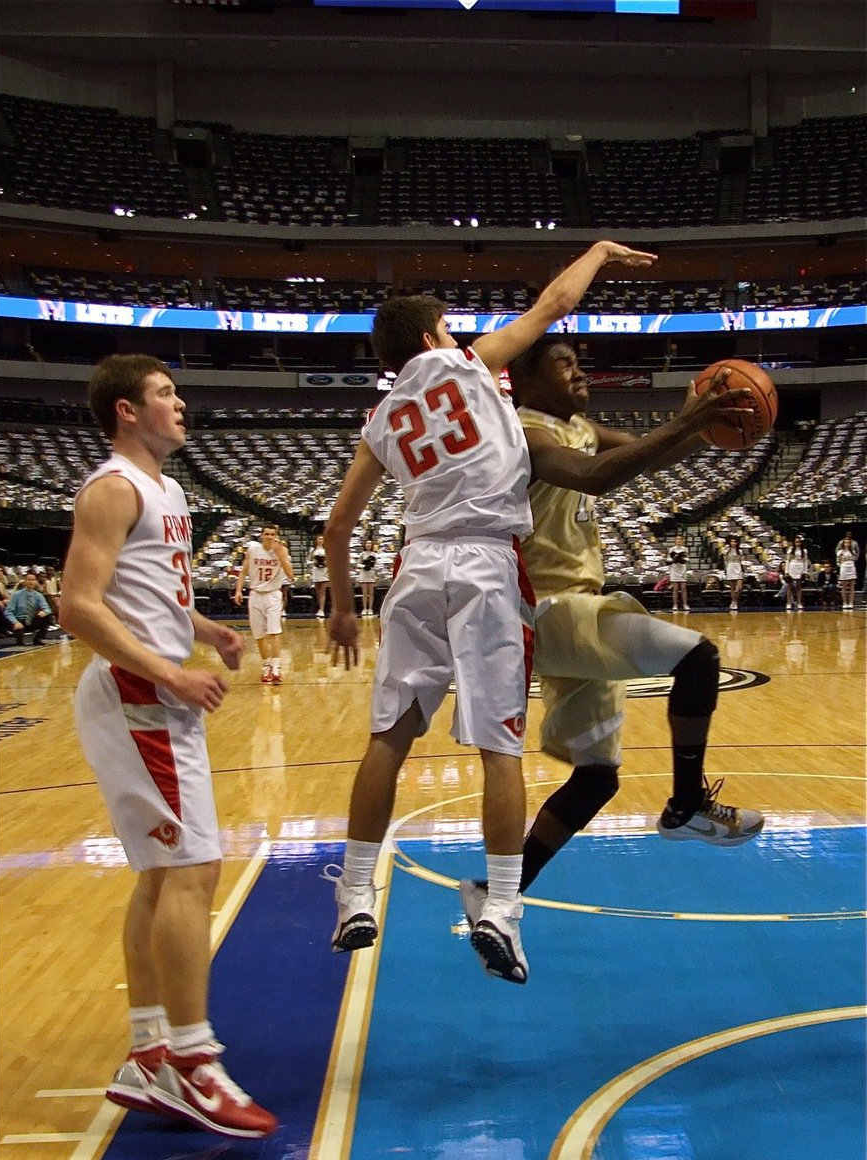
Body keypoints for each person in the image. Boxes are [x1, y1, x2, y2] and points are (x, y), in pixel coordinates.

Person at [325, 240, 658, 986]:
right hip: (485, 564)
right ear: (429, 337)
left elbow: (338, 527)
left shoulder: (382, 417)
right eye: (445, 325)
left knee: (390, 735)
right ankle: (502, 911)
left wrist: (344, 609)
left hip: (416, 566)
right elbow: (554, 307)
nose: (453, 331)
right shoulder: (473, 364)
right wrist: (597, 253)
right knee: (498, 744)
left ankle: (354, 894)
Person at [458, 339, 765, 932]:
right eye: (561, 363)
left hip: (570, 611)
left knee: (597, 778)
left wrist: (701, 431)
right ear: (523, 377)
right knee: (698, 657)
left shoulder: (576, 426)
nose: (577, 371)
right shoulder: (522, 431)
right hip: (550, 608)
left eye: (578, 361)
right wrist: (686, 420)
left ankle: (494, 897)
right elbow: (594, 476)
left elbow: (644, 459)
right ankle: (685, 806)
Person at [58, 353, 276, 1139]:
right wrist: (169, 673)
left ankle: (150, 1049)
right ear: (125, 410)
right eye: (164, 394)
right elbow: (78, 607)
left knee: (161, 874)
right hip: (140, 695)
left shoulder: (169, 490)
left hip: (151, 690)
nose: (180, 404)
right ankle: (193, 1063)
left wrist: (206, 629)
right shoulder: (113, 488)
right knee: (191, 868)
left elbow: (152, 592)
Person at [233, 524, 295, 684]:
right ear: (262, 535)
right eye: (266, 533)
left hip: (273, 594)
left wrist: (281, 556)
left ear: (276, 536)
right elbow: (243, 571)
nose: (269, 536)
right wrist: (238, 590)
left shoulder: (281, 550)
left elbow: (291, 575)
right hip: (255, 594)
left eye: (272, 534)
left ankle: (276, 667)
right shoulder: (253, 550)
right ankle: (266, 665)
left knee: (274, 632)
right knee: (259, 635)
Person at [5, 571, 53, 645]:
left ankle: (38, 638)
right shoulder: (16, 595)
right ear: (24, 581)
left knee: (47, 616)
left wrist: (44, 612)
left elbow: (48, 609)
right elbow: (8, 612)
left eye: (33, 580)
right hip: (19, 620)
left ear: (36, 582)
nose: (31, 582)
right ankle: (19, 639)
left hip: (32, 620)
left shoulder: (39, 595)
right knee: (20, 641)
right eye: (29, 580)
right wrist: (15, 622)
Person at [785, 534, 809, 611]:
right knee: (790, 586)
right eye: (796, 542)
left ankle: (799, 602)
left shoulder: (804, 551)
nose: (797, 543)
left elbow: (805, 561)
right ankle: (789, 603)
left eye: (799, 542)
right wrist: (786, 571)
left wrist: (805, 571)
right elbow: (787, 561)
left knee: (799, 587)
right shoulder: (790, 550)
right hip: (792, 567)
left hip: (800, 567)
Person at [666, 534, 690, 612]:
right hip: (674, 568)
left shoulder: (685, 549)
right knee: (675, 588)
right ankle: (675, 604)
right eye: (677, 539)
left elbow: (687, 558)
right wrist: (673, 559)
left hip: (682, 569)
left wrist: (682, 559)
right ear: (675, 541)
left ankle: (685, 604)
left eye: (680, 539)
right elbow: (668, 559)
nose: (679, 541)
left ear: (682, 541)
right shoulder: (672, 549)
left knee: (683, 587)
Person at [836, 531, 859, 610]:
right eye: (845, 542)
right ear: (843, 543)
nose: (847, 544)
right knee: (844, 587)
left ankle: (851, 602)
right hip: (844, 568)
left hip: (851, 567)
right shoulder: (840, 552)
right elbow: (838, 561)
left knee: (852, 586)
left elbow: (855, 557)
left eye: (848, 543)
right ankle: (844, 602)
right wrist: (841, 565)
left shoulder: (853, 551)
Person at [356, 537, 378, 617]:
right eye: (367, 543)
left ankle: (370, 608)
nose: (368, 545)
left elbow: (377, 565)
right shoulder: (362, 554)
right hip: (364, 574)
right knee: (364, 593)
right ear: (365, 545)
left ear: (372, 545)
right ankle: (365, 608)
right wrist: (364, 566)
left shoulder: (374, 555)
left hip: (371, 575)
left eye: (370, 544)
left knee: (371, 593)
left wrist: (371, 567)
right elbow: (357, 564)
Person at [310, 533, 329, 618]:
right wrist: (314, 563)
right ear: (316, 540)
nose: (320, 541)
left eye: (322, 539)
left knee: (323, 591)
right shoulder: (312, 550)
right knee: (318, 591)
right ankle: (319, 608)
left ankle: (322, 609)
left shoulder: (327, 550)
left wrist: (326, 563)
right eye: (319, 539)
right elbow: (308, 561)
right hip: (316, 571)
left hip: (324, 571)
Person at [723, 534, 744, 611]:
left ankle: (735, 600)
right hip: (730, 567)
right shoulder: (727, 551)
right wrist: (725, 569)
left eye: (735, 542)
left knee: (739, 587)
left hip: (738, 567)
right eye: (732, 542)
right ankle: (734, 601)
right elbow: (725, 560)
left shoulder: (740, 551)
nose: (733, 543)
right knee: (732, 587)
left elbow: (742, 561)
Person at [0, 565, 15, 637]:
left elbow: (5, 596)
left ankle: (13, 628)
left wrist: (11, 601)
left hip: (0, 603)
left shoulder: (1, 584)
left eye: (0, 571)